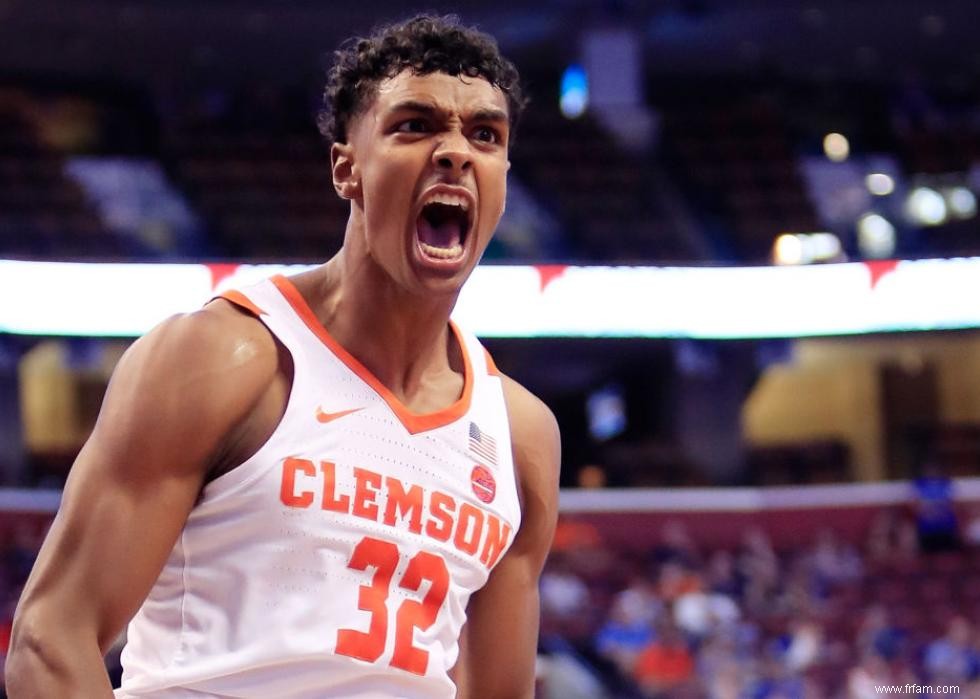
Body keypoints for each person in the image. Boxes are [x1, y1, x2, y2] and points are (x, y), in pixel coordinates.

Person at [6, 14, 560, 699]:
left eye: (485, 134)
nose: (454, 152)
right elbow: (50, 637)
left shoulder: (520, 435)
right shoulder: (223, 357)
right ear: (345, 168)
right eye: (414, 126)